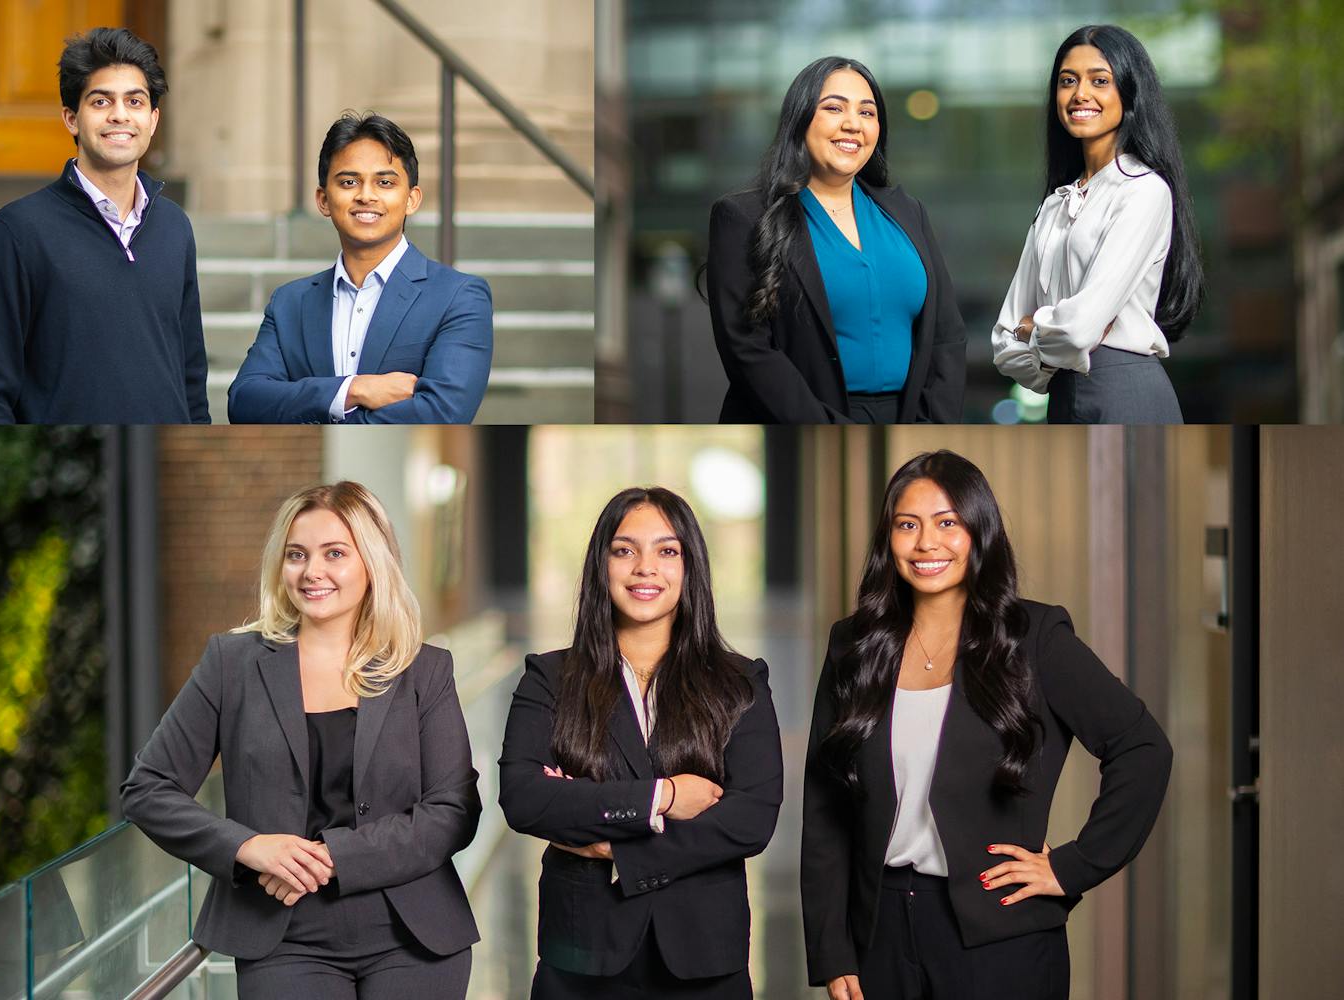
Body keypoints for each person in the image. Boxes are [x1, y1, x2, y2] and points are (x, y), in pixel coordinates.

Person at [801, 451, 1172, 1000]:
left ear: (980, 532)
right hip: (878, 938)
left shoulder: (1035, 637)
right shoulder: (854, 645)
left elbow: (1143, 748)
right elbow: (825, 807)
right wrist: (833, 951)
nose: (927, 543)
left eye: (948, 522)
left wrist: (1073, 867)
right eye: (908, 525)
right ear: (889, 541)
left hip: (1003, 940)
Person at [121, 482, 480, 998]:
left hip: (412, 937)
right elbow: (148, 788)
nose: (312, 572)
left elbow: (453, 812)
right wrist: (248, 846)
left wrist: (332, 856)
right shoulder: (232, 664)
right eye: (296, 555)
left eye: (335, 553)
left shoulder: (423, 670)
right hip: (282, 939)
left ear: (371, 563)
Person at [499, 487, 783, 998]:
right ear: (601, 566)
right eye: (625, 550)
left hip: (704, 956)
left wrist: (614, 848)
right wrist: (665, 797)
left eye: (667, 551)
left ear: (690, 566)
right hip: (582, 953)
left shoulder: (740, 682)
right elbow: (524, 798)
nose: (645, 568)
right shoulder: (550, 677)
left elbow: (751, 818)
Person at [0, 27, 209, 424]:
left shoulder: (175, 226)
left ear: (153, 119)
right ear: (72, 118)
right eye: (101, 100)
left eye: (135, 101)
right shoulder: (15, 233)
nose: (120, 114)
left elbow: (191, 372)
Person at [705, 56, 965, 424]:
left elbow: (947, 337)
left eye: (867, 112)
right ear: (801, 119)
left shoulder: (909, 214)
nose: (852, 125)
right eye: (833, 108)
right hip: (801, 420)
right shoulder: (743, 218)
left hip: (909, 420)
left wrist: (931, 426)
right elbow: (748, 350)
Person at [991, 24, 1203, 423]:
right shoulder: (1056, 203)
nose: (1079, 94)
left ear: (1129, 91)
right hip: (1062, 396)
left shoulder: (1143, 191)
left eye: (1099, 80)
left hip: (1127, 391)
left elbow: (1079, 329)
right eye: (1067, 81)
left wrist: (1033, 326)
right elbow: (1003, 342)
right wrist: (1049, 337)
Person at [227, 113, 493, 423]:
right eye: (349, 182)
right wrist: (353, 390)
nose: (366, 195)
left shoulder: (458, 296)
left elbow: (443, 412)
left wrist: (313, 409)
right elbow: (245, 401)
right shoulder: (290, 302)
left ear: (411, 199)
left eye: (384, 182)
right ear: (324, 199)